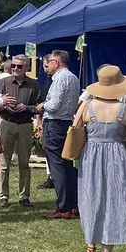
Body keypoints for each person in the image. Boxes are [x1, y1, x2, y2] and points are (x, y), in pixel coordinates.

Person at [76, 65, 126, 252]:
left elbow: (76, 129)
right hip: (116, 155)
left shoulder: (87, 105)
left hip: (91, 155)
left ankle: (90, 247)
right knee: (115, 202)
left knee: (91, 198)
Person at [38, 50, 81, 220]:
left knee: (57, 167)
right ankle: (73, 204)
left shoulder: (59, 78)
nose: (47, 65)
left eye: (50, 62)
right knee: (68, 165)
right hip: (67, 123)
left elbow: (54, 105)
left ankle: (63, 207)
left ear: (56, 63)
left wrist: (42, 105)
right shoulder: (73, 77)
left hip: (55, 124)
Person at [0, 54, 41, 209]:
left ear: (26, 68)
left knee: (24, 162)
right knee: (4, 163)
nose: (15, 68)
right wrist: (4, 106)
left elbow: (39, 106)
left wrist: (26, 107)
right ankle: (3, 196)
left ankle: (24, 197)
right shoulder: (3, 82)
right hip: (7, 123)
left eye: (19, 66)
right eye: (13, 66)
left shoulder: (34, 85)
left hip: (25, 125)